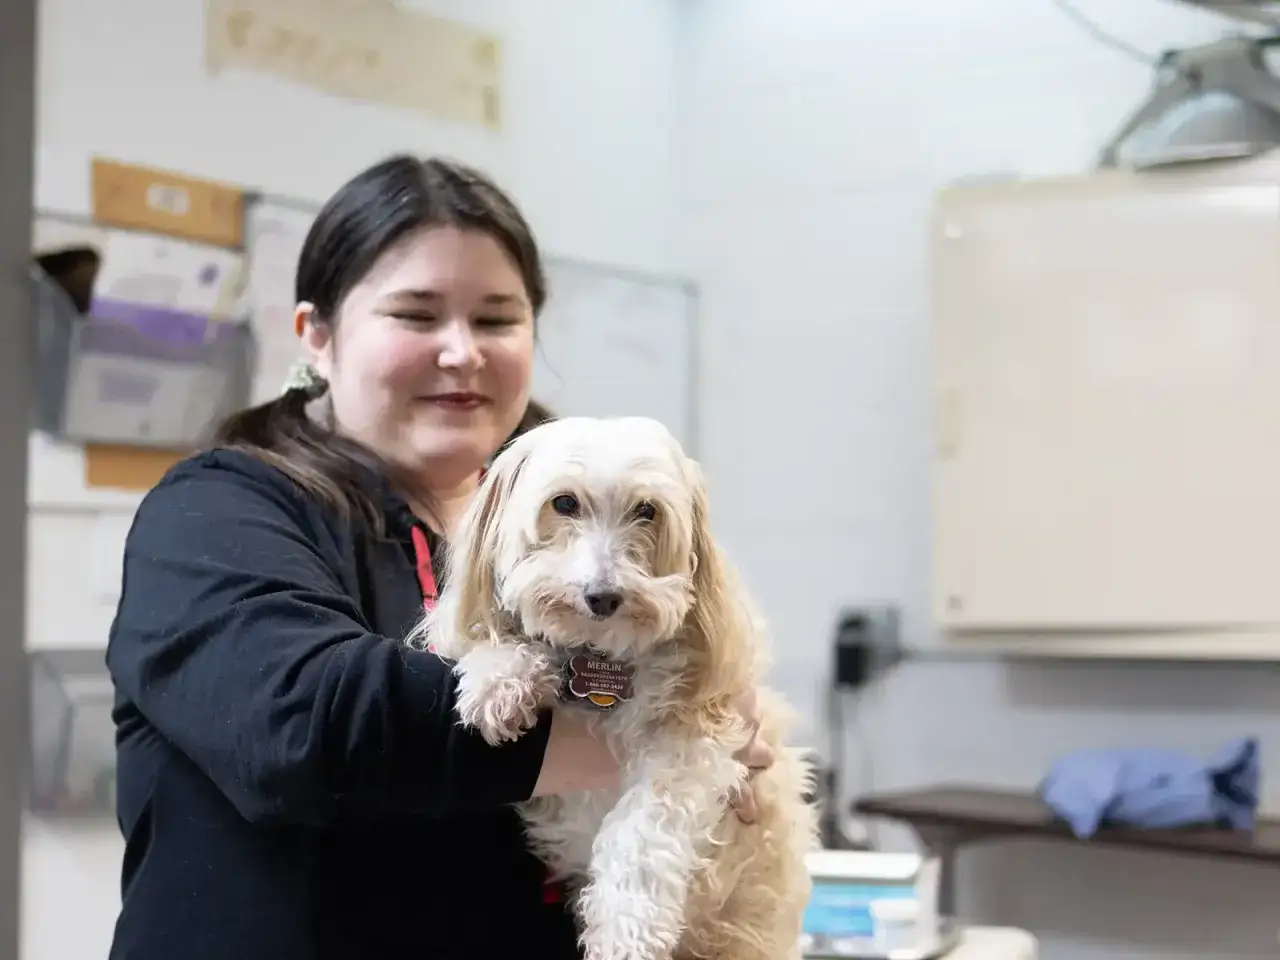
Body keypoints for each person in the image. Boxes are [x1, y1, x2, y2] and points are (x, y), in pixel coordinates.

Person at [104, 154, 776, 960]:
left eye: (496, 320)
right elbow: (305, 726)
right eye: (416, 315)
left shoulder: (560, 503)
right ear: (316, 334)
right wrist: (661, 747)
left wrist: (701, 729)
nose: (462, 352)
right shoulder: (214, 512)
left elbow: (709, 678)